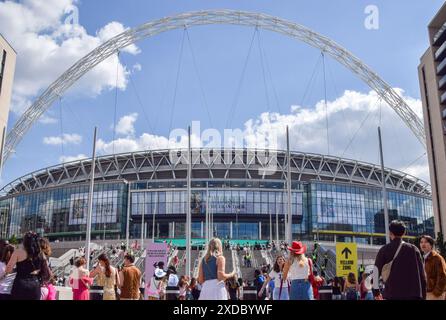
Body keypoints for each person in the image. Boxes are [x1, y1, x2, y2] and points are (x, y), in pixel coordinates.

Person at [373, 220, 426, 300]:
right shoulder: (414, 249)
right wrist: (423, 295)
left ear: (391, 233)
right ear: (404, 233)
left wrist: (376, 292)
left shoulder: (384, 250)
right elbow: (422, 276)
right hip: (413, 295)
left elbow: (376, 272)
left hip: (391, 294)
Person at [6, 232, 51, 300]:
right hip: (35, 285)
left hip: (20, 285)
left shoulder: (18, 252)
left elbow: (8, 270)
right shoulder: (41, 254)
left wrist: (16, 269)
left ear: (25, 241)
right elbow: (48, 273)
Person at [419, 235, 446, 300]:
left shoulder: (436, 258)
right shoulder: (423, 258)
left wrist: (437, 292)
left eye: (426, 242)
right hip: (426, 293)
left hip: (435, 294)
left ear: (431, 245)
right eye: (421, 242)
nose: (423, 244)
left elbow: (442, 276)